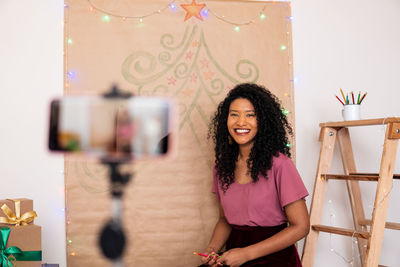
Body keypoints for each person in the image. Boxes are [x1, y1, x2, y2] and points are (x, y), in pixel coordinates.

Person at [200, 83, 309, 267]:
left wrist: (247, 254)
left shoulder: (280, 164)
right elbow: (224, 220)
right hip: (234, 254)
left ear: (263, 121)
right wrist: (211, 251)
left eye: (250, 115)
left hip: (275, 257)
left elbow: (301, 226)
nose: (241, 122)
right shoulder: (222, 166)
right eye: (234, 114)